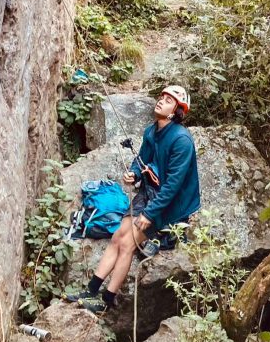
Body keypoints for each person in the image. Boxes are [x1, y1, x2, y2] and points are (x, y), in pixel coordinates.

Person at [66, 86, 200, 315]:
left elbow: (174, 185)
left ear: (175, 112)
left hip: (171, 205)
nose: (161, 102)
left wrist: (149, 215)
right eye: (162, 98)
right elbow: (142, 160)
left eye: (168, 101)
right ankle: (91, 291)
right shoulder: (152, 131)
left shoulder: (181, 141)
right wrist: (134, 173)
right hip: (150, 193)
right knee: (118, 235)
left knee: (128, 243)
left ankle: (106, 300)